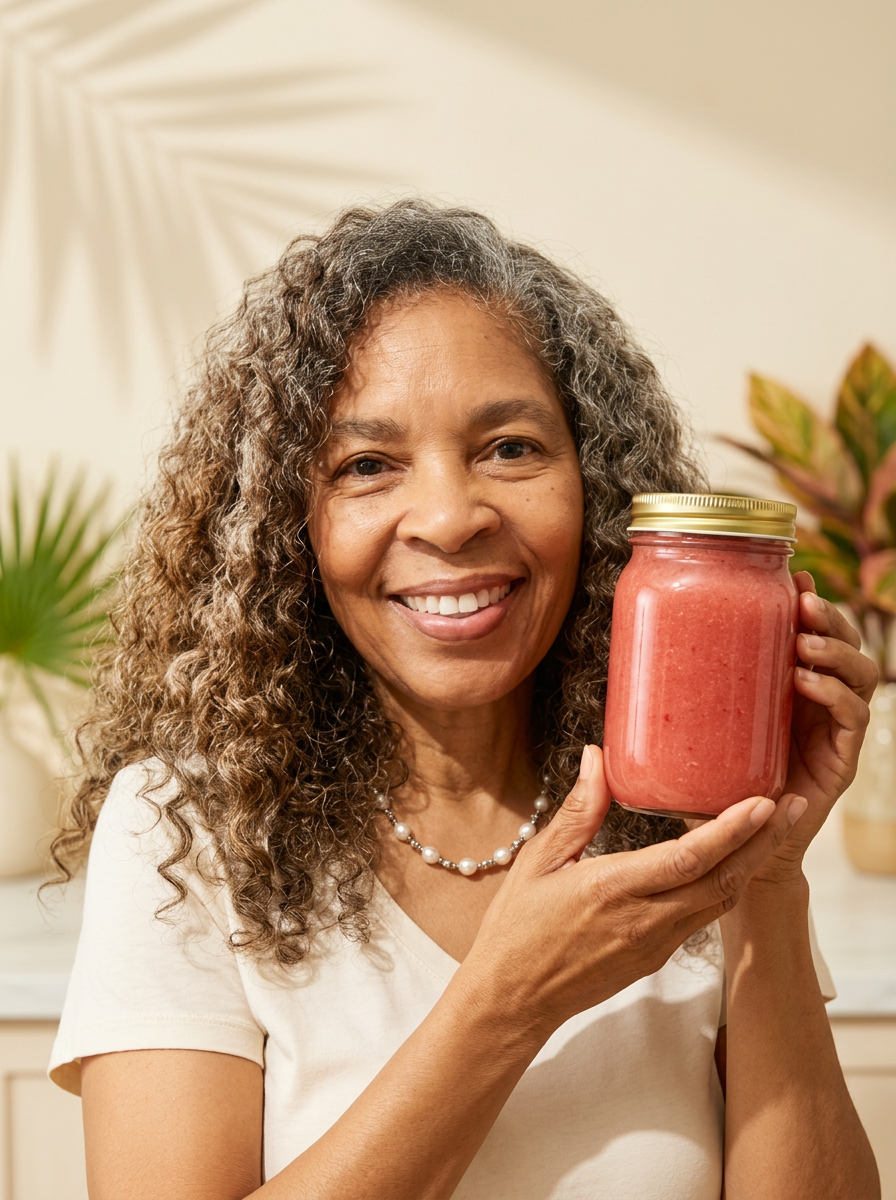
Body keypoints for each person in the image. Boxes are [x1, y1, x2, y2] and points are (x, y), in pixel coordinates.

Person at [49, 200, 880, 1200]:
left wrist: (767, 878)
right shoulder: (183, 834)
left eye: (510, 448)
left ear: (597, 493)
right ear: (286, 531)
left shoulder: (684, 820)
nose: (447, 518)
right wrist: (502, 1005)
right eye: (366, 466)